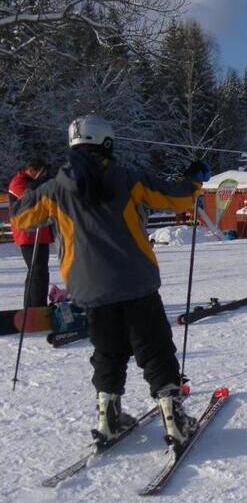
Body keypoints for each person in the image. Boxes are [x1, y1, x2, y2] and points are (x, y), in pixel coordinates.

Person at [10, 115, 207, 448]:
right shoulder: (127, 178)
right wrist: (195, 179)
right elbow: (177, 198)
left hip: (89, 288)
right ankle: (174, 421)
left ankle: (108, 418)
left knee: (108, 351)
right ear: (106, 143)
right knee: (154, 349)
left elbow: (21, 217)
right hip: (135, 281)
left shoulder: (56, 187)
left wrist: (30, 189)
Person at [8, 158, 54, 308]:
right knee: (37, 270)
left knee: (39, 270)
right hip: (28, 234)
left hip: (40, 232)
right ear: (33, 170)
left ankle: (34, 305)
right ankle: (35, 306)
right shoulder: (18, 182)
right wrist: (39, 184)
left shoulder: (29, 181)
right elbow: (29, 200)